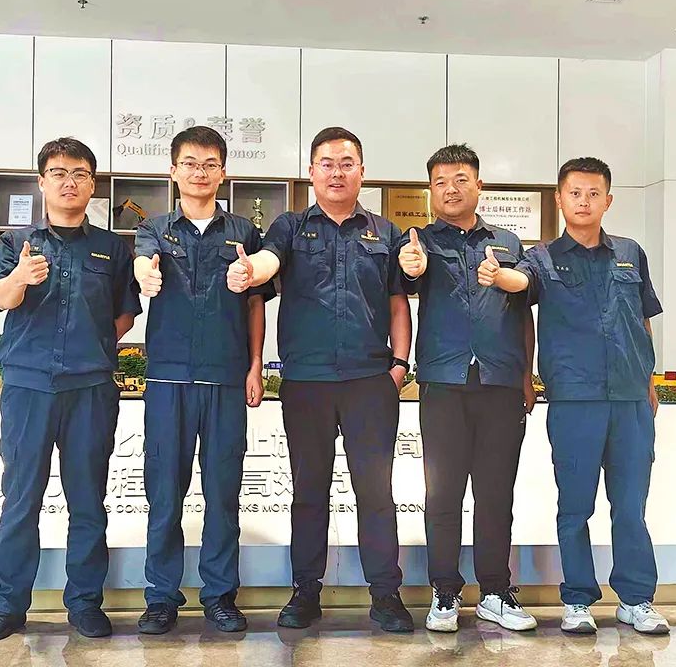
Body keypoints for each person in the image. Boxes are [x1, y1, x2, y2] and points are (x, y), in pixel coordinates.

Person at [226, 127, 414, 633]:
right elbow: (269, 260)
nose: (337, 172)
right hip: (306, 382)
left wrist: (399, 366)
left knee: (376, 492)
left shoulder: (386, 232)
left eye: (346, 163)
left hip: (370, 380)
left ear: (361, 172)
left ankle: (386, 594)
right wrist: (251, 271)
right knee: (309, 491)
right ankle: (305, 591)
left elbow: (398, 302)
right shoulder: (290, 226)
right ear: (311, 172)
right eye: (327, 163)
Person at [489, 157, 669, 635]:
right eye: (575, 193)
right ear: (559, 199)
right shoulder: (542, 257)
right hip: (574, 399)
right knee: (575, 506)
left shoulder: (630, 252)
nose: (584, 202)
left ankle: (636, 599)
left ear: (608, 200)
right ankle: (578, 600)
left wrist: (648, 380)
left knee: (630, 506)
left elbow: (642, 318)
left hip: (630, 400)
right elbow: (520, 282)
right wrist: (499, 275)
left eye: (593, 194)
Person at [0, 137, 142, 641]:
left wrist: (93, 346)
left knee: (88, 498)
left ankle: (85, 603)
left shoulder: (113, 247)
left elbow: (126, 313)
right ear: (42, 182)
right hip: (28, 385)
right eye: (58, 173)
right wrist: (20, 278)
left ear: (92, 184)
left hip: (91, 388)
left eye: (80, 174)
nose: (69, 182)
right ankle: (8, 604)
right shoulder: (16, 243)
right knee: (20, 497)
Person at [133, 126, 273, 634]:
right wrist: (144, 275)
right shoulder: (153, 229)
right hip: (168, 379)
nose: (199, 172)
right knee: (164, 494)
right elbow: (141, 264)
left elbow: (256, 304)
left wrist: (255, 365)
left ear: (223, 173)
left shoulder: (244, 232)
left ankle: (219, 595)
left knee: (223, 493)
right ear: (173, 171)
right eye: (190, 163)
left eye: (209, 164)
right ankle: (161, 597)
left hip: (225, 379)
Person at [398, 143, 537, 633]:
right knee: (443, 493)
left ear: (479, 185)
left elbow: (524, 312)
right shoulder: (418, 243)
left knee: (496, 493)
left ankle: (495, 591)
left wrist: (526, 375)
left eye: (460, 180)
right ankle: (444, 591)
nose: (450, 189)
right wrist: (411, 268)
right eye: (440, 182)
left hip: (500, 383)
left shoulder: (508, 242)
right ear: (430, 191)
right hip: (443, 383)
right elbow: (403, 283)